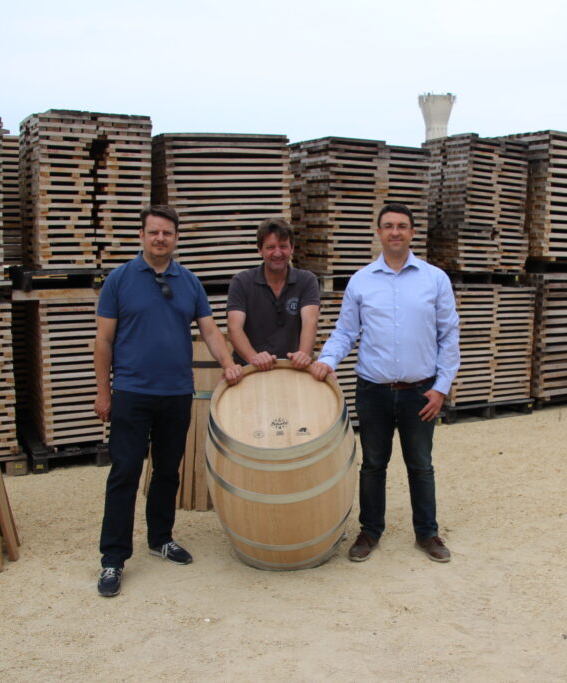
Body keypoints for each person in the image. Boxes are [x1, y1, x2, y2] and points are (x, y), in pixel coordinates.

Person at [93, 204, 243, 597]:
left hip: (176, 393)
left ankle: (161, 538)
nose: (160, 239)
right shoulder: (120, 280)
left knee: (166, 473)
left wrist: (228, 364)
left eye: (167, 234)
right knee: (124, 473)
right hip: (131, 392)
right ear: (142, 236)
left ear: (176, 239)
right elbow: (104, 341)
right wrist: (103, 392)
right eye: (154, 232)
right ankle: (113, 558)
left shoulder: (189, 282)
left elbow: (210, 332)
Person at [310, 202, 460, 563]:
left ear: (412, 232)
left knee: (420, 465)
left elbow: (449, 335)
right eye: (389, 226)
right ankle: (369, 532)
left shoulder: (434, 279)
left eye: (402, 226)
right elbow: (346, 331)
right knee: (373, 464)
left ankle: (427, 533)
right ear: (378, 232)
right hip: (373, 391)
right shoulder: (361, 281)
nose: (395, 232)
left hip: (421, 393)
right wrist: (326, 361)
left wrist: (441, 387)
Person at [226, 218, 320, 370]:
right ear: (260, 249)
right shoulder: (242, 282)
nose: (277, 253)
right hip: (251, 370)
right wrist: (253, 358)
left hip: (293, 368)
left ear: (292, 248)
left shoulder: (307, 280)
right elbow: (234, 328)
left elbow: (310, 322)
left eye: (283, 246)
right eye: (270, 247)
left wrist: (303, 355)